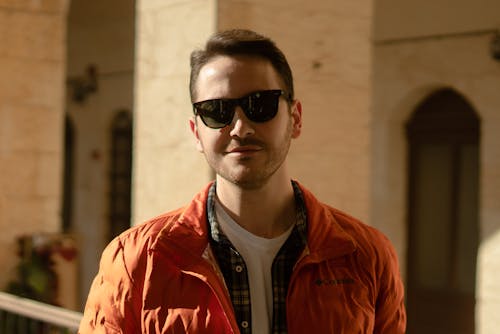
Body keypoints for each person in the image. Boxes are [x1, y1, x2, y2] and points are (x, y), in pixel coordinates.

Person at [79, 29, 406, 334]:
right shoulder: (137, 261)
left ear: (295, 118)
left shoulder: (366, 255)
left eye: (259, 105)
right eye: (216, 111)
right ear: (196, 133)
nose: (239, 128)